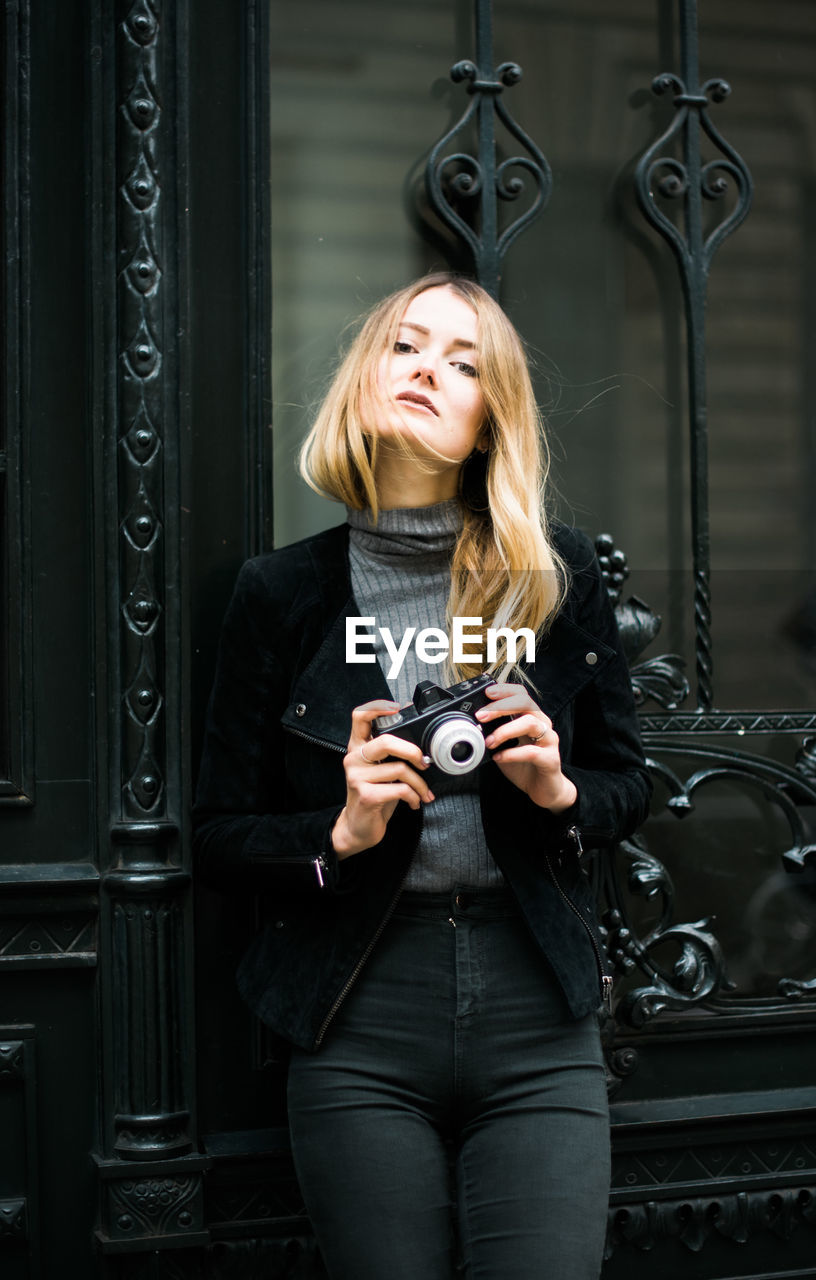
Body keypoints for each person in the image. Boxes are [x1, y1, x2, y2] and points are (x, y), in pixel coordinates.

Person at [193, 272, 651, 1279]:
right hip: (357, 1007)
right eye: (404, 346)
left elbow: (628, 784)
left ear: (493, 417)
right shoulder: (281, 592)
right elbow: (219, 830)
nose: (426, 370)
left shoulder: (551, 573)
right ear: (365, 378)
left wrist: (558, 790)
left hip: (537, 1007)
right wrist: (338, 833)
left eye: (461, 361)